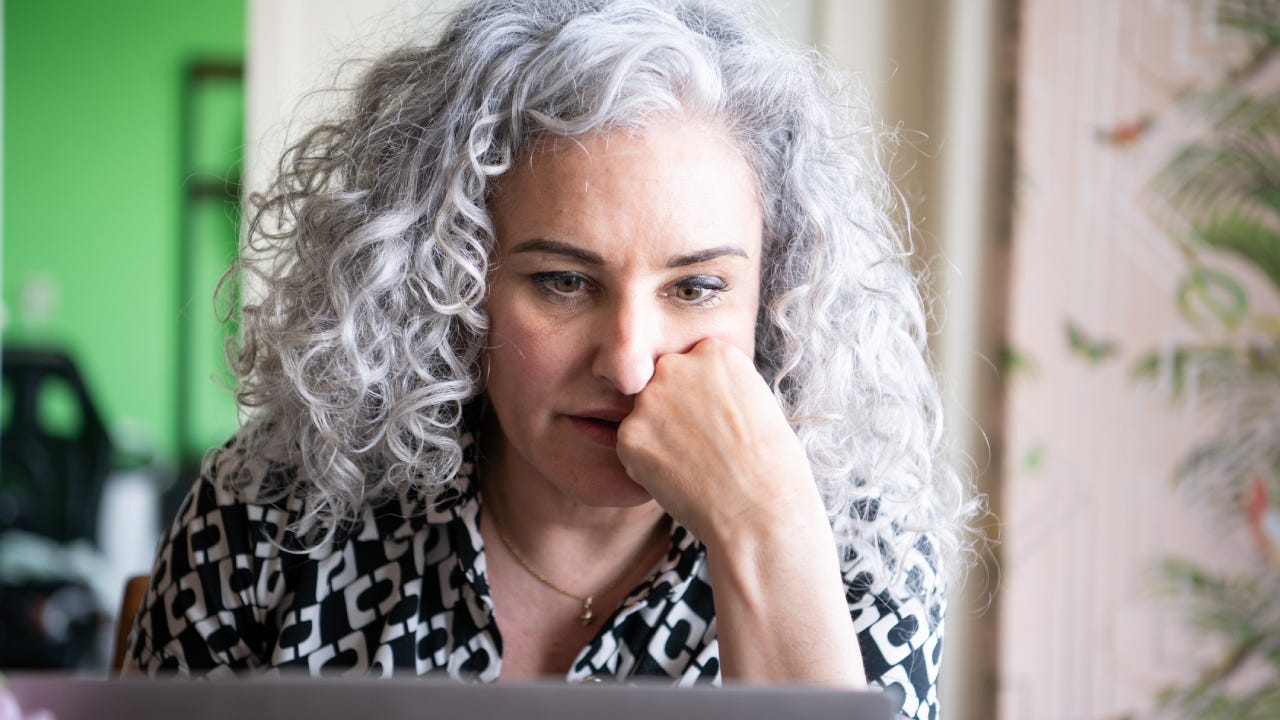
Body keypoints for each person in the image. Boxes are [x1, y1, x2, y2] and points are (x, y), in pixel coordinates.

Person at [125, 1, 971, 718]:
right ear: (450, 277)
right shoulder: (265, 515)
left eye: (697, 288)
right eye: (564, 282)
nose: (631, 363)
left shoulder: (856, 557)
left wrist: (764, 533)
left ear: (777, 291)